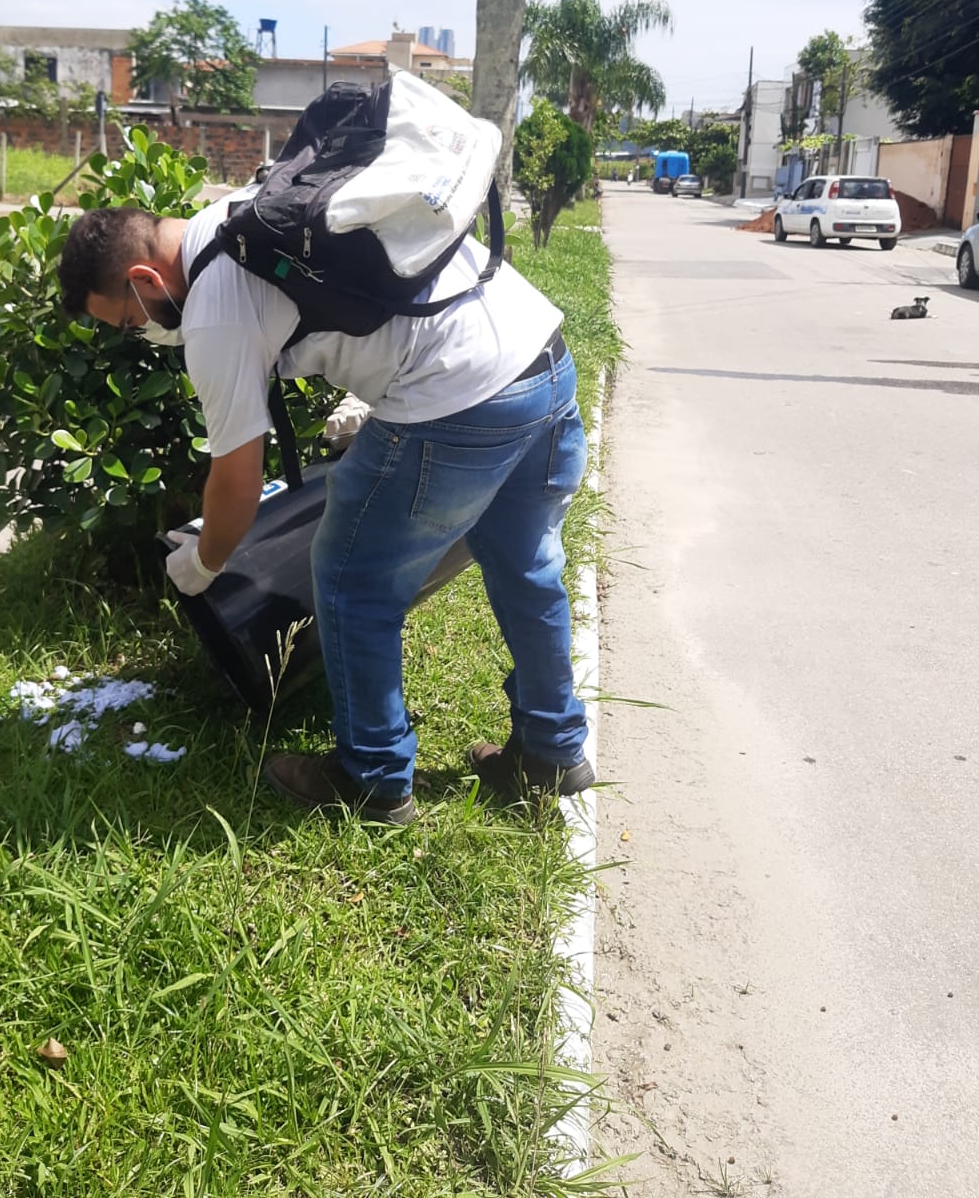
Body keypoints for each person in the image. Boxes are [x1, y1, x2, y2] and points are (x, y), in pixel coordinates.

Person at [58, 195, 592, 827]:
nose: (139, 332)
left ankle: (372, 776)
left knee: (352, 580)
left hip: (459, 392)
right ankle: (553, 750)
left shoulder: (212, 308)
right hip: (542, 357)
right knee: (523, 560)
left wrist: (202, 564)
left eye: (127, 321)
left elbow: (236, 481)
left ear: (144, 280)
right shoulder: (249, 207)